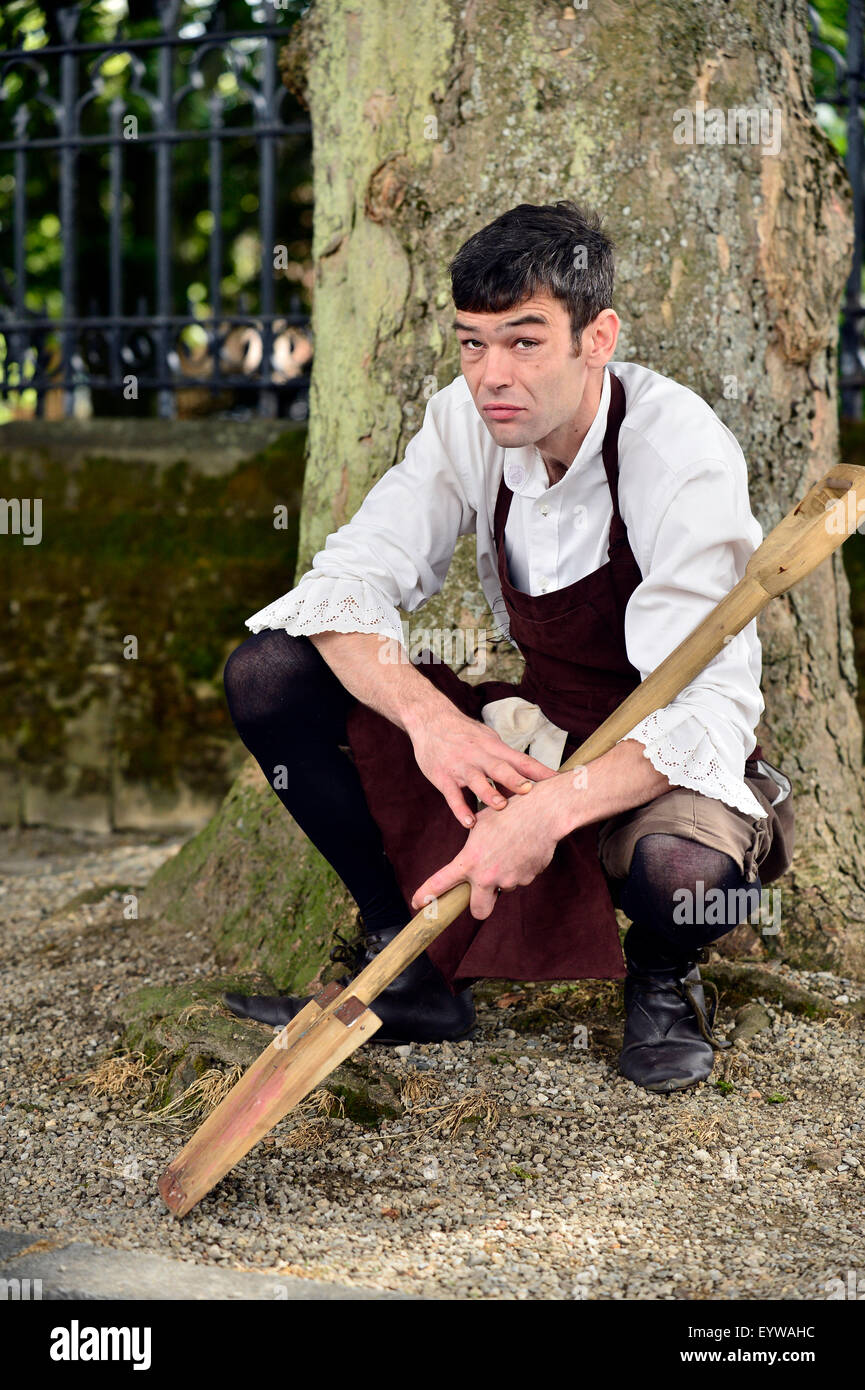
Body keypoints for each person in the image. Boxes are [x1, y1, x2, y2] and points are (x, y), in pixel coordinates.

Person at [222, 200, 794, 1093]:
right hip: (538, 729)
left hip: (659, 755)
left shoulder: (679, 454)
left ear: (595, 336)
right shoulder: (466, 418)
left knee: (686, 875)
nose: (493, 376)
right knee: (270, 671)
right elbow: (345, 583)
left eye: (524, 342)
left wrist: (547, 814)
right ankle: (402, 968)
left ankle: (661, 979)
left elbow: (709, 712)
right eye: (472, 343)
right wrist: (430, 726)